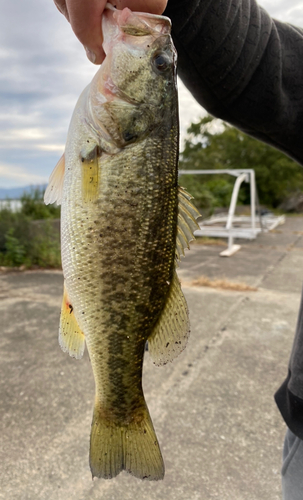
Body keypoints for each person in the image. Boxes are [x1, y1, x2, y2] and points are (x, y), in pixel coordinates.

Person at [53, 0, 303, 497]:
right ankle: (120, 405)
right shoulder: (111, 136)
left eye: (161, 65)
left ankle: (118, 407)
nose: (158, 51)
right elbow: (268, 68)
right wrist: (177, 3)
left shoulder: (105, 138)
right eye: (161, 67)